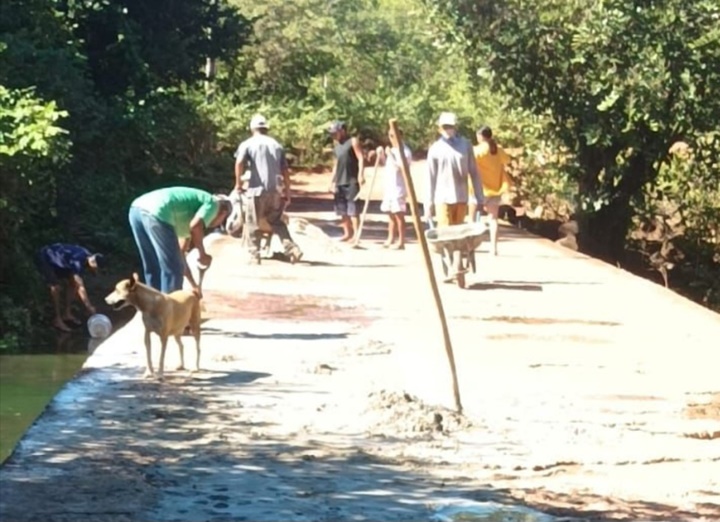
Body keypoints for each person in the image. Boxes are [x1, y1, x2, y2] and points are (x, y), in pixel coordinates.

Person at [128, 186, 232, 296]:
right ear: (223, 213)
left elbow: (180, 256)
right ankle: (170, 310)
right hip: (158, 212)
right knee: (173, 270)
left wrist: (194, 285)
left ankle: (152, 308)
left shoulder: (187, 216)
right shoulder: (213, 204)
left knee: (154, 265)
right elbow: (195, 227)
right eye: (221, 222)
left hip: (136, 209)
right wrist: (202, 254)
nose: (215, 225)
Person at [234, 114, 303, 263]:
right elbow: (285, 170)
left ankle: (254, 255)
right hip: (275, 191)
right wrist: (287, 192)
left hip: (256, 190)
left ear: (252, 128)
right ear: (266, 128)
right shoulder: (276, 145)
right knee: (276, 221)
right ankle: (292, 249)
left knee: (252, 222)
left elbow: (239, 163)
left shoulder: (248, 144)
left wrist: (238, 183)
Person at [425, 112, 484, 227]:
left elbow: (474, 173)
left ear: (455, 127)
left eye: (450, 126)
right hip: (443, 197)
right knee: (445, 232)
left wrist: (479, 198)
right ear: (439, 128)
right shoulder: (435, 149)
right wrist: (428, 204)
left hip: (461, 196)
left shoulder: (465, 145)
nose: (448, 129)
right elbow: (430, 178)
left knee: (458, 234)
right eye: (445, 127)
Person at [34, 243, 105, 332]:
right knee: (56, 287)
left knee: (72, 284)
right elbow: (80, 286)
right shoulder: (79, 259)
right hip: (46, 258)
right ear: (92, 261)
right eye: (95, 268)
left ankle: (67, 314)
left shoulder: (87, 257)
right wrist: (88, 306)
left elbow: (76, 281)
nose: (94, 271)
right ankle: (57, 319)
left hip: (62, 262)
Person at [471, 125, 512, 255]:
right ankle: (493, 248)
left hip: (478, 188)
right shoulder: (497, 149)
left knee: (471, 218)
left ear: (480, 136)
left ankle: (470, 246)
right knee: (493, 219)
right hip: (495, 188)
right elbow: (507, 160)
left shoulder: (478, 150)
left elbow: (468, 161)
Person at [327, 121, 365, 242]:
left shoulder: (353, 141)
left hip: (351, 180)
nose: (333, 136)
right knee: (342, 209)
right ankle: (347, 233)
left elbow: (361, 158)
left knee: (353, 209)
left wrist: (361, 175)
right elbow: (336, 164)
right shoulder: (337, 145)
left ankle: (356, 235)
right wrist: (331, 181)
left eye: (335, 133)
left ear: (342, 131)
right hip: (340, 181)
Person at [377, 128, 412, 250]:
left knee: (399, 215)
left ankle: (401, 241)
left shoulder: (405, 151)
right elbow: (386, 164)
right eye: (390, 136)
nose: (391, 138)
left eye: (393, 136)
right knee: (390, 214)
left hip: (399, 187)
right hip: (390, 187)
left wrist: (390, 155)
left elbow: (400, 167)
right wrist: (381, 155)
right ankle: (390, 238)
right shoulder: (392, 150)